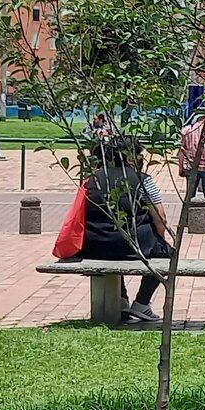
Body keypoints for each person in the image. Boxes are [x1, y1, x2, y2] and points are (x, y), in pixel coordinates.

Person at [75, 138, 170, 324]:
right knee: (166, 254)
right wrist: (160, 240)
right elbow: (161, 219)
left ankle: (121, 299)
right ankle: (142, 303)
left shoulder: (91, 181)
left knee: (113, 251)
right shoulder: (143, 180)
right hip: (134, 246)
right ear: (131, 157)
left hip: (94, 247)